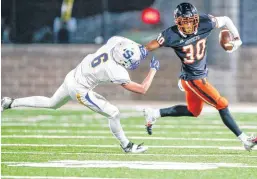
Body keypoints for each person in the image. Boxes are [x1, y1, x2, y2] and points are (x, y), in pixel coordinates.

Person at [1, 36, 160, 153]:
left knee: (51, 103)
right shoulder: (115, 70)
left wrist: (141, 50)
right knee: (113, 113)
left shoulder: (113, 43)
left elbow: (126, 45)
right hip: (80, 90)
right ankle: (126, 146)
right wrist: (153, 70)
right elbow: (142, 89)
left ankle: (11, 103)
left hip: (72, 76)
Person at [143, 2, 257, 151]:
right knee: (222, 104)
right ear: (177, 22)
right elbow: (149, 46)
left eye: (190, 21)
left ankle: (154, 113)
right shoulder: (170, 34)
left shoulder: (205, 22)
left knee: (194, 111)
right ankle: (245, 140)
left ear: (196, 19)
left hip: (193, 76)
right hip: (194, 79)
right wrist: (138, 51)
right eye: (184, 22)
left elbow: (225, 19)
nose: (188, 26)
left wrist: (237, 39)